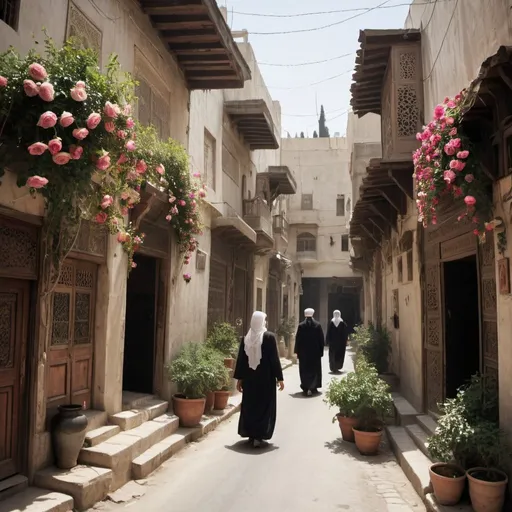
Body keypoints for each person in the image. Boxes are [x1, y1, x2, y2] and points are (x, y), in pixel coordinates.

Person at [234, 311, 285, 448]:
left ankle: (251, 434)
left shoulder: (246, 338)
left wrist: (240, 379)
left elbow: (242, 361)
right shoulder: (269, 337)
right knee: (264, 407)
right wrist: (279, 378)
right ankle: (259, 435)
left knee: (251, 406)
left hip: (250, 381)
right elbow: (274, 359)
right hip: (266, 381)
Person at [294, 308, 325, 396]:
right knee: (315, 369)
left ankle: (305, 386)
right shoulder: (317, 325)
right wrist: (321, 351)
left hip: (304, 353)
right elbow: (321, 340)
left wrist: (297, 352)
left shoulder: (301, 325)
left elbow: (298, 339)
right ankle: (314, 387)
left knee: (304, 369)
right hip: (315, 353)